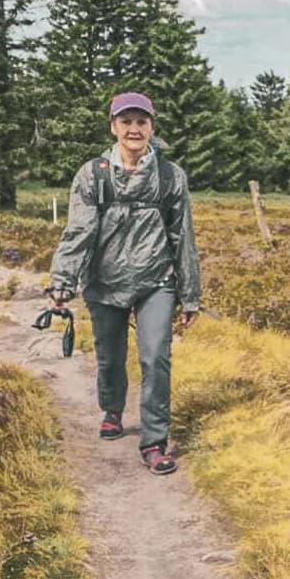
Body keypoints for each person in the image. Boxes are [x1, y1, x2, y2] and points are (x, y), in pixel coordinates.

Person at [46, 91, 202, 475]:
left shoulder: (169, 176)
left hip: (156, 280)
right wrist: (62, 282)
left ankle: (154, 442)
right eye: (126, 122)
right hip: (104, 280)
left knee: (156, 357)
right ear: (113, 126)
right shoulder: (92, 174)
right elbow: (78, 231)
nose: (134, 129)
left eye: (142, 121)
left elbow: (183, 237)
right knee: (110, 356)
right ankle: (112, 409)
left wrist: (190, 296)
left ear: (151, 126)